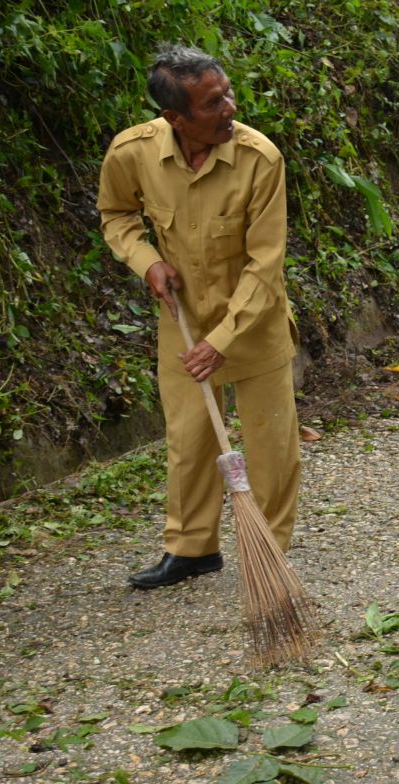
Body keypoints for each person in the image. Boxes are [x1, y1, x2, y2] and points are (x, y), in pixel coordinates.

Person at [97, 45, 302, 589]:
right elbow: (116, 214)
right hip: (182, 321)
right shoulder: (132, 153)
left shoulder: (261, 158)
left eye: (228, 92)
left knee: (270, 447)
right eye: (213, 103)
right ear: (174, 117)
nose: (230, 107)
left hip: (253, 324)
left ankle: (270, 553)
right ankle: (192, 550)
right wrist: (147, 262)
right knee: (188, 441)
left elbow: (266, 263)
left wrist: (224, 340)